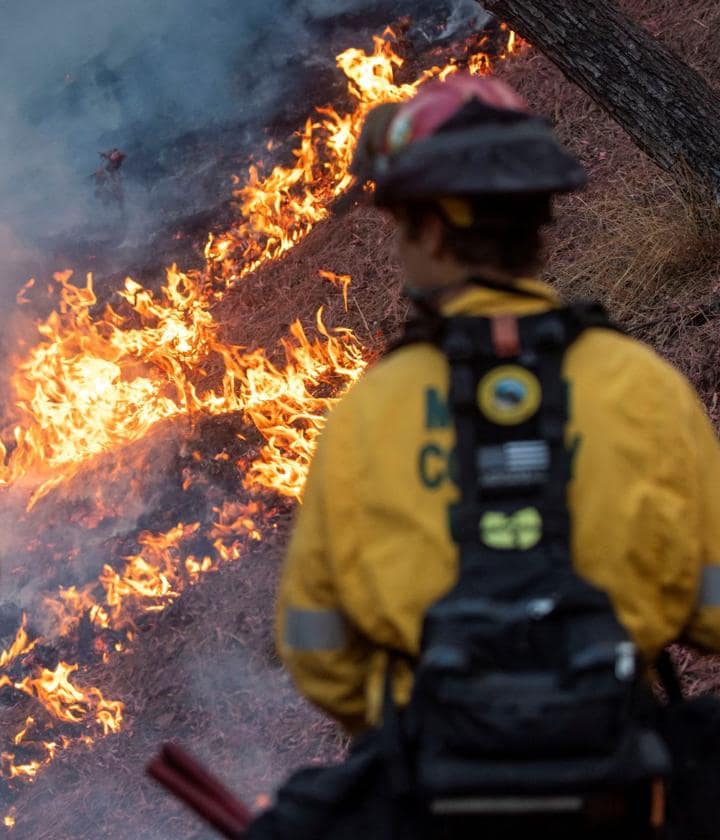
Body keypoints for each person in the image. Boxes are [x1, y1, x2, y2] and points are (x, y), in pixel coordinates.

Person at [250, 76, 720, 838]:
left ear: (433, 228)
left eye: (399, 220)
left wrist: (432, 716)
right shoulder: (644, 387)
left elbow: (319, 652)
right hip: (628, 797)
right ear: (537, 218)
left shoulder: (371, 410)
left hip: (436, 800)